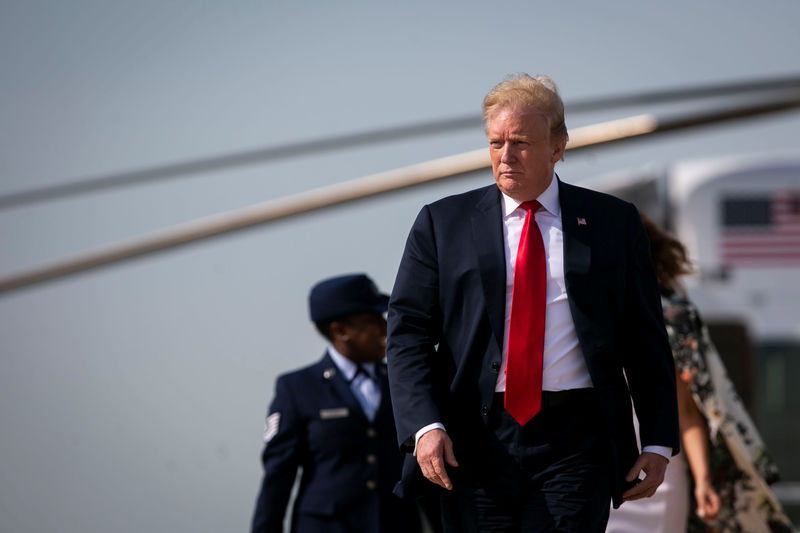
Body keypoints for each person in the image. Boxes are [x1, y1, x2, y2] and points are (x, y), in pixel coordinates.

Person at [386, 73, 681, 533]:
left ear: (558, 145)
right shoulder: (442, 224)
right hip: (473, 439)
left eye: (521, 142)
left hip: (576, 440)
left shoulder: (612, 223)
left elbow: (644, 335)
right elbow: (407, 335)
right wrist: (424, 426)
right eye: (496, 142)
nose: (506, 156)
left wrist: (659, 440)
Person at [607, 216, 795, 533]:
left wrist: (704, 482)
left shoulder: (672, 316)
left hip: (661, 475)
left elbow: (687, 412)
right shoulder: (577, 308)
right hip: (598, 470)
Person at [250, 273, 427, 533]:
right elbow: (278, 478)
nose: (384, 327)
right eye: (371, 320)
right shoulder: (297, 388)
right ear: (340, 330)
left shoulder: (403, 383)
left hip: (397, 523)